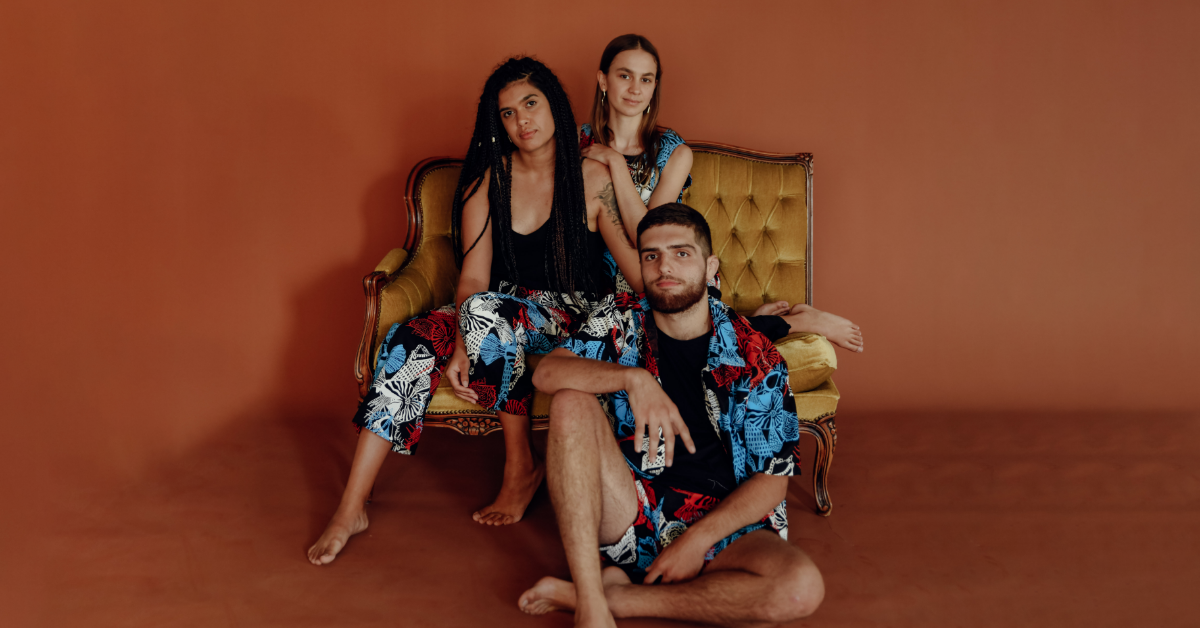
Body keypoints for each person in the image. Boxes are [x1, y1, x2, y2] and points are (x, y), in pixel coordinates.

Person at [307, 57, 642, 565]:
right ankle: (350, 507)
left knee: (493, 314)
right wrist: (467, 336)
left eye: (530, 103)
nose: (522, 120)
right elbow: (473, 280)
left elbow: (634, 271)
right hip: (492, 307)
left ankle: (519, 468)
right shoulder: (488, 181)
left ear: (554, 104)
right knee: (408, 341)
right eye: (507, 113)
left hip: (568, 317)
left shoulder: (591, 178)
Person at [519, 204, 825, 626]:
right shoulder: (621, 319)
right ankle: (590, 603)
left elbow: (772, 480)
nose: (665, 267)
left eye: (681, 253)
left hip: (726, 522)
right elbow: (548, 372)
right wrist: (635, 379)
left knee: (800, 588)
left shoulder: (755, 355)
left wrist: (695, 541)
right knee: (570, 399)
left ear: (710, 267)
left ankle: (621, 598)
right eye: (652, 255)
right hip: (631, 507)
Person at [580, 33, 864, 353]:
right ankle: (748, 321)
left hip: (667, 273)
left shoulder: (674, 152)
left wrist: (616, 164)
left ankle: (800, 322)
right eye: (624, 76)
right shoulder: (577, 143)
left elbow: (648, 234)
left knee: (690, 341)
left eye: (646, 79)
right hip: (604, 287)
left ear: (654, 86)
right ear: (603, 80)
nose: (635, 88)